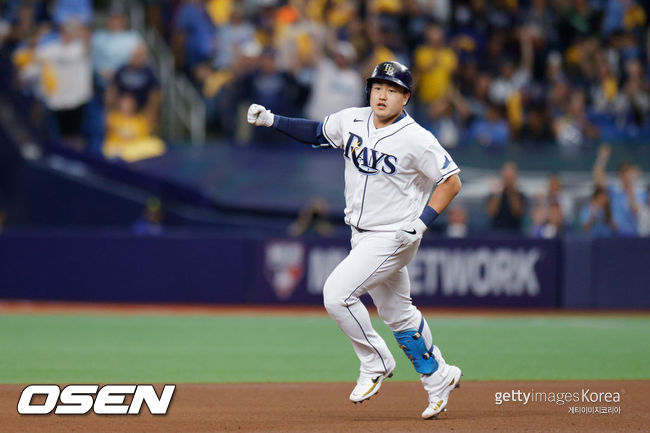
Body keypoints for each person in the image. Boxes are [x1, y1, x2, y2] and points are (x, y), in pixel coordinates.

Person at [247, 61, 463, 420]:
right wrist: (273, 120)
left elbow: (451, 181)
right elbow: (317, 131)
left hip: (395, 235)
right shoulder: (352, 120)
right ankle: (438, 375)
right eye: (378, 86)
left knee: (336, 294)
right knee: (399, 314)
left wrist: (423, 224)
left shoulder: (417, 138)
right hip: (361, 235)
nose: (382, 94)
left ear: (405, 97)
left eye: (392, 89)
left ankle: (375, 361)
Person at [486, 162, 527, 234]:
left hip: (515, 233)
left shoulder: (520, 195)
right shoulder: (495, 194)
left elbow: (517, 212)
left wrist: (512, 190)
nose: (508, 180)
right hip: (496, 232)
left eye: (510, 177)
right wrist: (499, 190)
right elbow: (491, 212)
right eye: (506, 177)